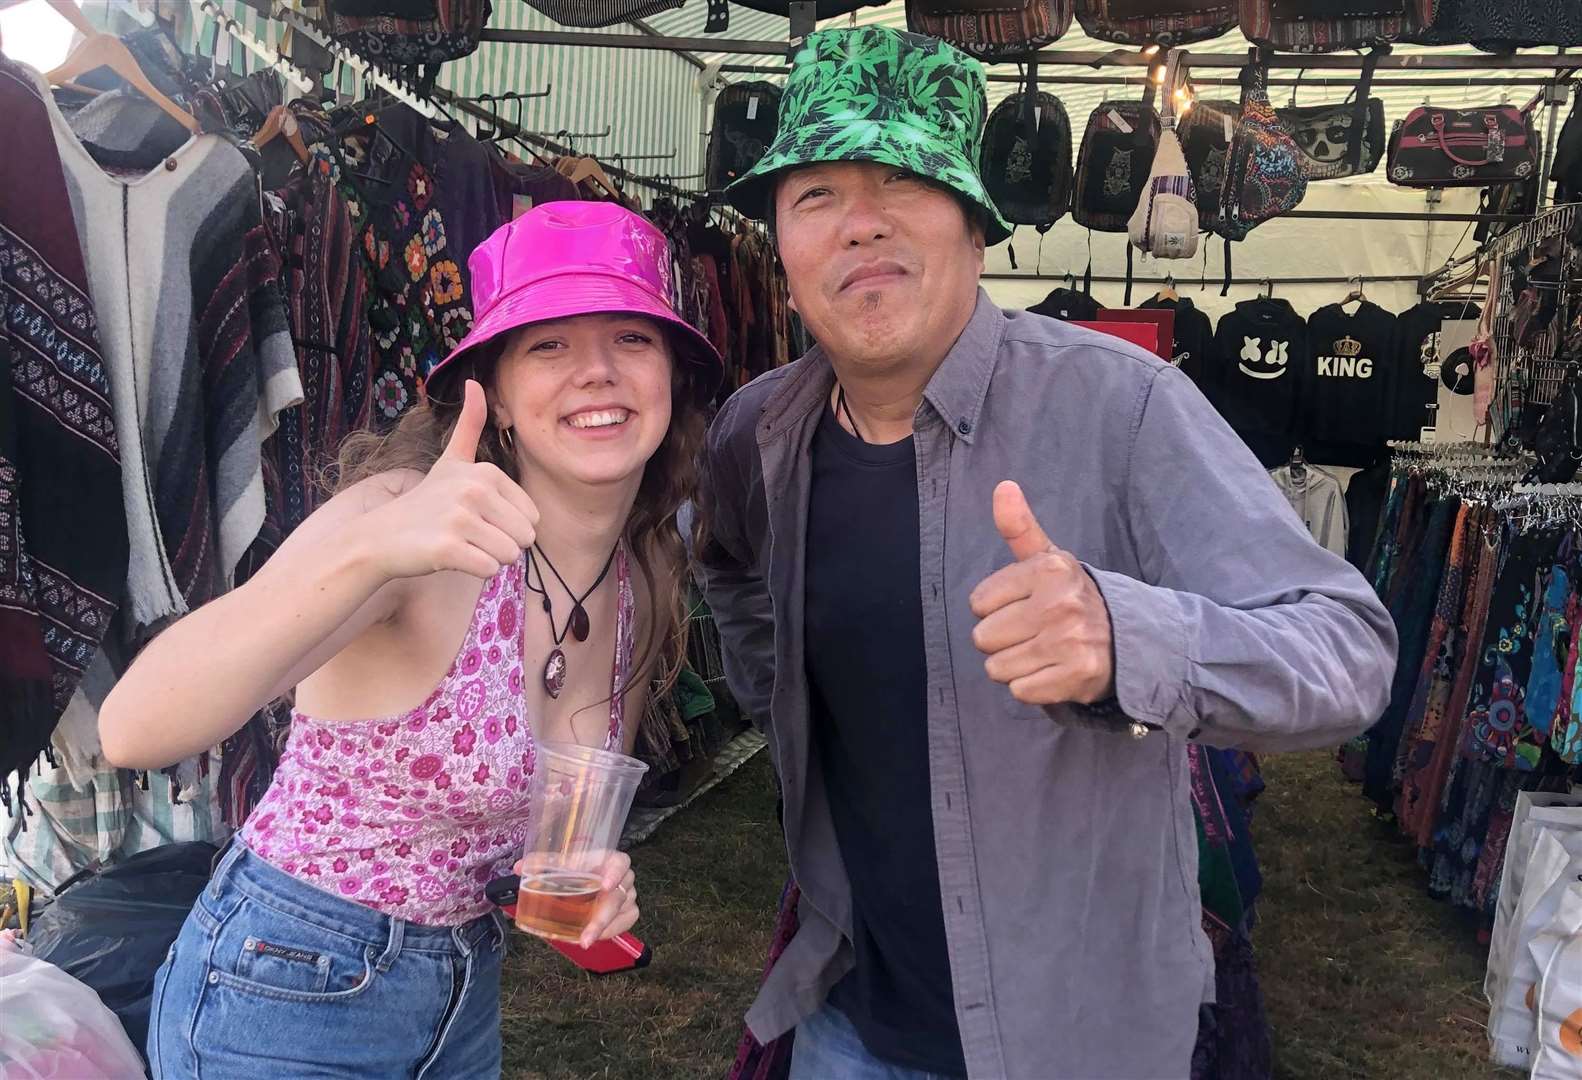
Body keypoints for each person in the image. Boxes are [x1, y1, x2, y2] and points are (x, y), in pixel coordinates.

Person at [699, 27, 1398, 1080]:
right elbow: (729, 566)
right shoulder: (760, 431)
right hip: (845, 1019)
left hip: (1076, 1036)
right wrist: (779, 704)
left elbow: (1348, 651)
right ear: (781, 248)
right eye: (815, 197)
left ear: (975, 222)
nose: (861, 224)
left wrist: (1129, 640)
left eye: (903, 181)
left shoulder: (1122, 407)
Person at [98, 201, 721, 1078]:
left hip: (457, 1000)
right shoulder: (403, 521)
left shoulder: (635, 581)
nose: (596, 372)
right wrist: (369, 552)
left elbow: (541, 847)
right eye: (548, 344)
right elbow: (134, 726)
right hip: (282, 990)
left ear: (672, 378)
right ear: (494, 393)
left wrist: (581, 894)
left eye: (631, 337)